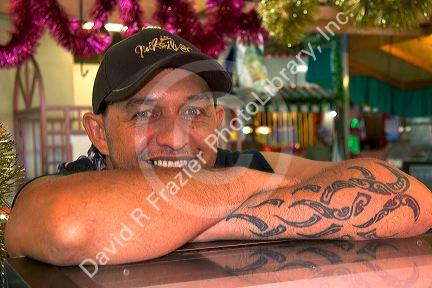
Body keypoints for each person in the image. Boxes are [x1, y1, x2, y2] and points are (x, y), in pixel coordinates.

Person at [5, 27, 432, 267]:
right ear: (98, 133)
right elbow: (67, 228)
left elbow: (409, 198)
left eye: (195, 113)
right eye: (144, 113)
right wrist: (246, 187)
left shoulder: (242, 163)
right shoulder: (69, 185)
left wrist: (189, 216)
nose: (175, 138)